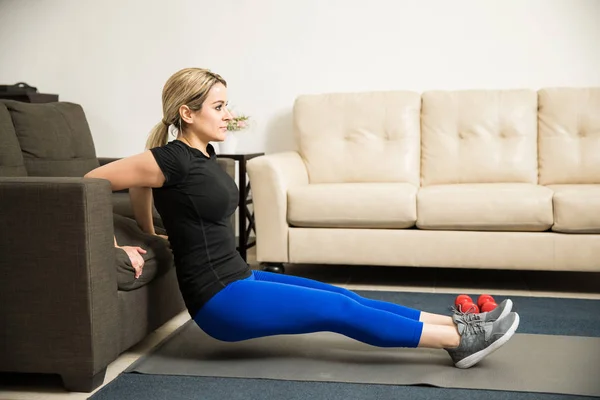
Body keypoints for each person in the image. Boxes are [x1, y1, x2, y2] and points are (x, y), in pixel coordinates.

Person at [84, 67, 520, 369]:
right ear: (188, 112)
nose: (227, 115)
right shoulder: (170, 159)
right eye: (218, 106)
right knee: (337, 312)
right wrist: (118, 242)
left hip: (239, 278)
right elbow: (89, 184)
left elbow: (142, 183)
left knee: (344, 297)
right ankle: (461, 343)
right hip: (220, 301)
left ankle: (461, 325)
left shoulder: (197, 156)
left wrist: (146, 228)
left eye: (226, 105)